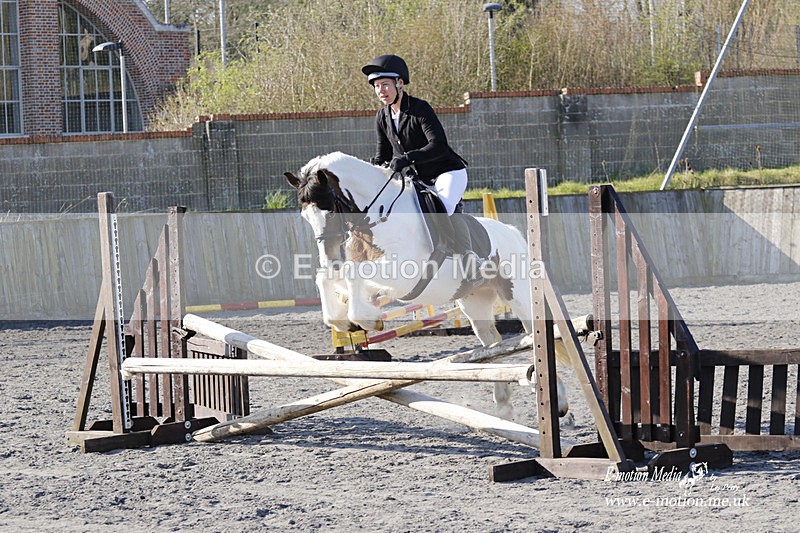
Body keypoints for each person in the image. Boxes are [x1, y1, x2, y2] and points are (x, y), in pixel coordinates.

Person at [361, 54, 482, 273]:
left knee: (442, 206)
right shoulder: (382, 117)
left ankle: (467, 258)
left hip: (447, 172)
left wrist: (407, 158)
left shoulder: (420, 109)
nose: (381, 91)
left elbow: (439, 145)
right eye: (377, 86)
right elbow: (383, 155)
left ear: (399, 83)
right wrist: (371, 170)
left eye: (385, 85)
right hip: (419, 179)